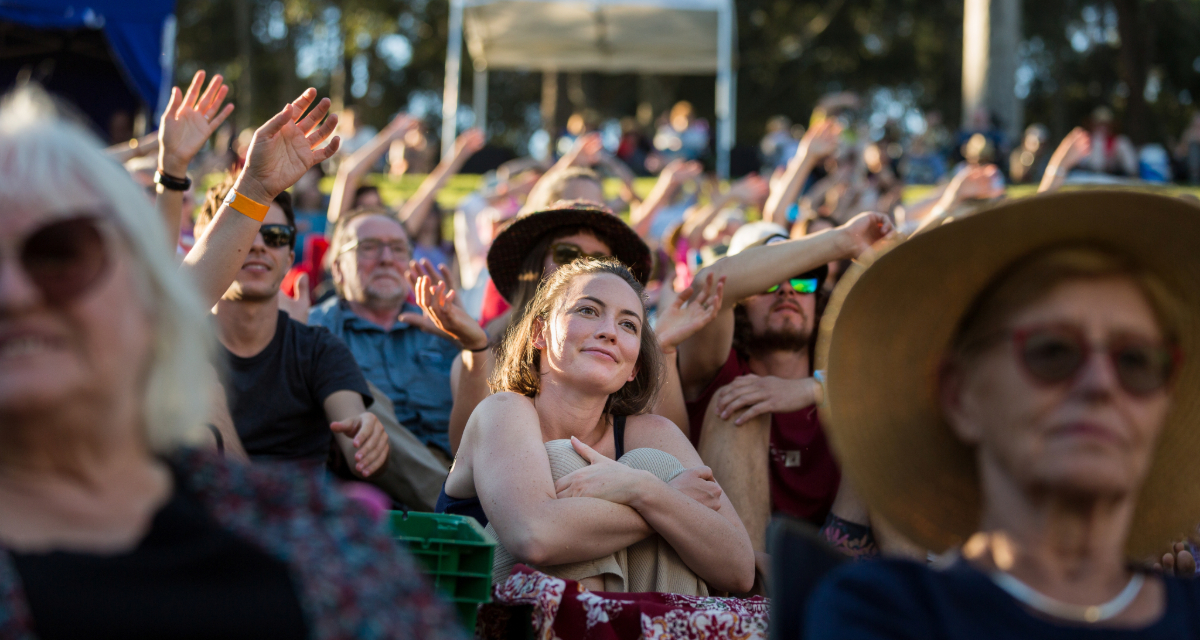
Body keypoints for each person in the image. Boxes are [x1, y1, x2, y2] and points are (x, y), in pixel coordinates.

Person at [0, 85, 463, 637]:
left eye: (61, 254)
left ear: (144, 300)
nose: (13, 291)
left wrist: (255, 188)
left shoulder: (313, 542)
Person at [806, 190, 1200, 637]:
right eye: (1053, 351)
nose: (1101, 384)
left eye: (1136, 361)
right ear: (960, 394)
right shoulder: (880, 613)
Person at [439, 258, 756, 595]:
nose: (609, 332)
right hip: (480, 615)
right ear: (539, 333)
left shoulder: (652, 434)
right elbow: (534, 537)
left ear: (633, 367)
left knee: (651, 466)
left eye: (629, 325)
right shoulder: (503, 410)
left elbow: (739, 570)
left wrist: (645, 491)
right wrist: (661, 500)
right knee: (571, 460)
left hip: (634, 621)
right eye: (588, 311)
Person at [676, 214, 893, 559]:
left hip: (841, 554)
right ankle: (753, 601)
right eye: (770, 282)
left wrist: (816, 389)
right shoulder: (715, 365)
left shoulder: (844, 370)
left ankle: (921, 602)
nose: (789, 289)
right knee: (738, 402)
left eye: (805, 281)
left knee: (883, 412)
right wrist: (843, 241)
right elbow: (713, 282)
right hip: (747, 569)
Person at [194, 175, 389, 479]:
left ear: (289, 258)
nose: (258, 246)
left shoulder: (319, 349)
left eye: (275, 235)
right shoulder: (178, 346)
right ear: (208, 250)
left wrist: (366, 435)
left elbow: (354, 434)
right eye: (244, 234)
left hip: (302, 517)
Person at [309, 208, 464, 470]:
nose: (387, 259)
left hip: (461, 469)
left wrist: (470, 344)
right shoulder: (314, 330)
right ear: (337, 269)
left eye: (398, 248)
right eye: (368, 247)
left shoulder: (445, 328)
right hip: (371, 485)